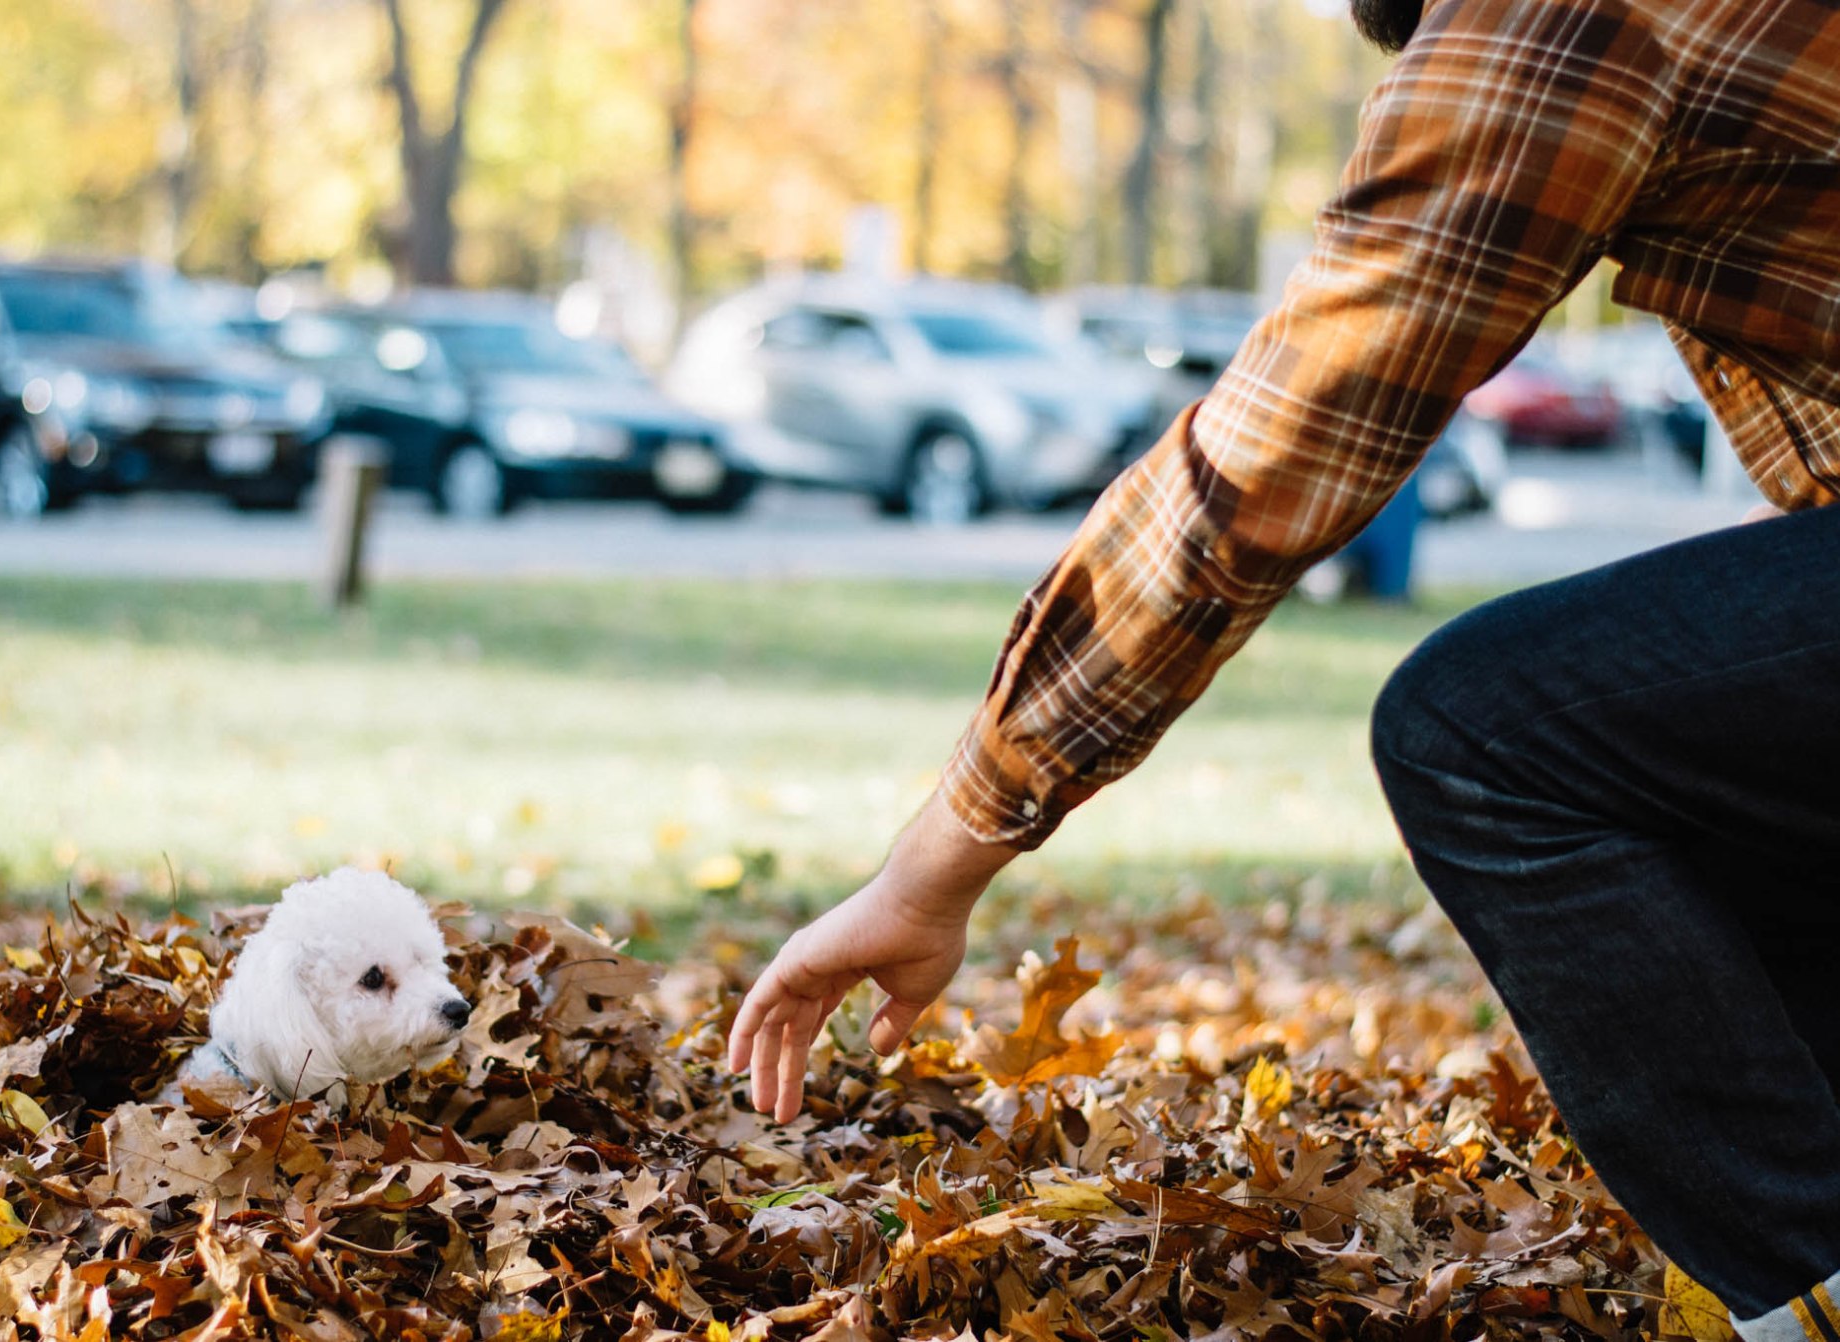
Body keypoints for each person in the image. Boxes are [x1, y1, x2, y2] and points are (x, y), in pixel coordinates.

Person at [726, 2, 1840, 1339]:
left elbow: (1273, 452)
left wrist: (934, 861)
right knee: (1695, 740)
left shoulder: (1556, 19)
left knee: (1480, 729)